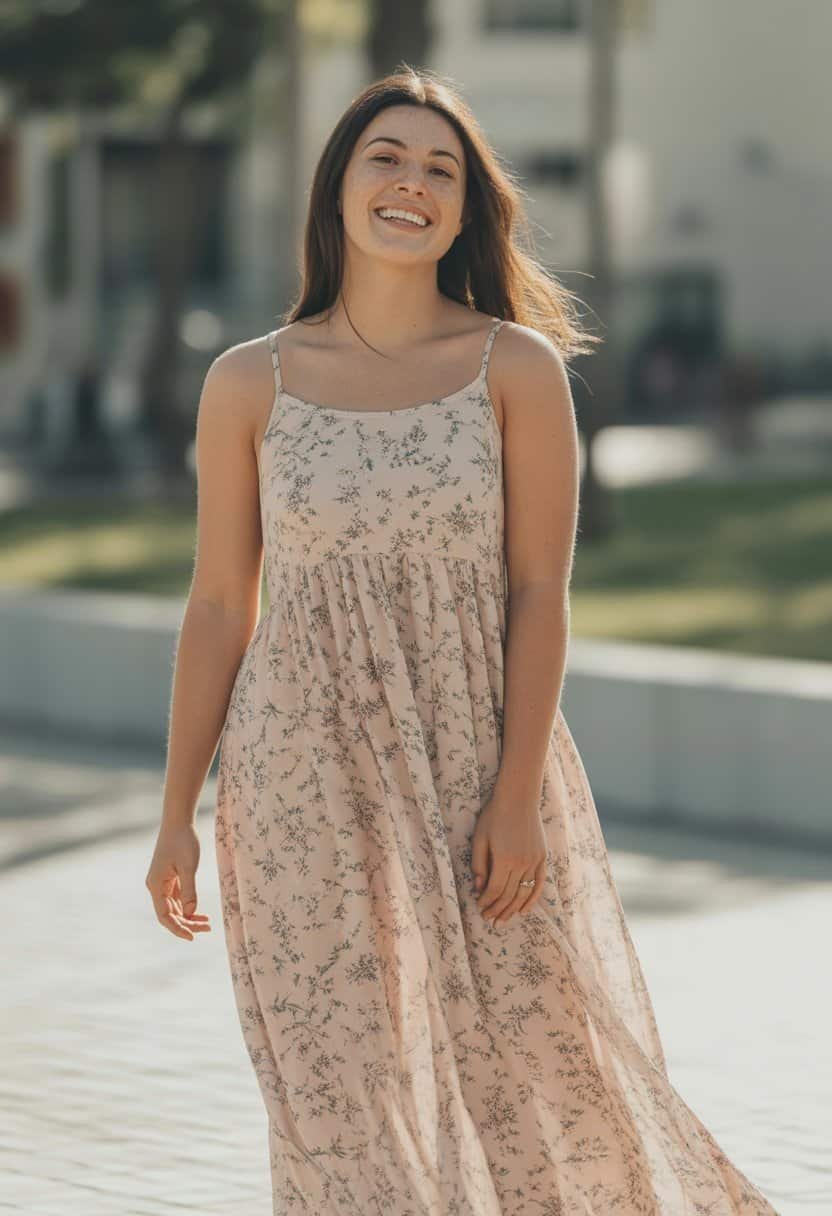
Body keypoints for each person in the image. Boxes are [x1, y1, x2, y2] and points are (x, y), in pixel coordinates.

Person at [146, 68, 779, 1215]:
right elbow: (218, 606)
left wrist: (518, 791)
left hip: (472, 752)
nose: (411, 183)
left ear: (464, 211)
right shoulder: (249, 381)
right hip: (296, 763)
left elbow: (540, 590)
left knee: (532, 1063)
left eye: (441, 169)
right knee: (329, 1081)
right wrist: (176, 813)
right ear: (337, 184)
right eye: (385, 156)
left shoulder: (516, 370)